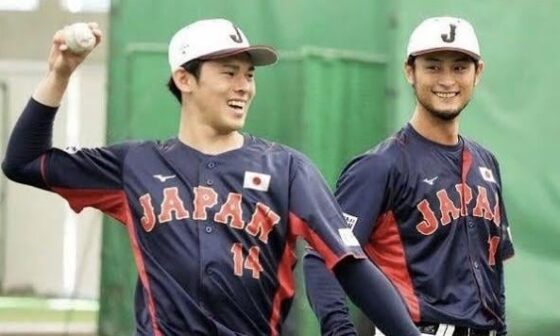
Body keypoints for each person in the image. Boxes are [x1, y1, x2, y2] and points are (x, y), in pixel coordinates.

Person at [1, 19, 421, 336]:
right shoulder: (136, 165)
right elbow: (23, 161)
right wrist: (60, 73)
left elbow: (350, 265)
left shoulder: (287, 169)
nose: (244, 86)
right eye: (229, 72)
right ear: (185, 78)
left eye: (249, 74)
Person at [303, 16, 515, 336]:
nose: (447, 80)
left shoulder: (486, 163)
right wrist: (339, 330)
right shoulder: (380, 166)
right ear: (409, 71)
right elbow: (321, 257)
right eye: (433, 66)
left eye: (459, 67)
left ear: (478, 73)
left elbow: (493, 267)